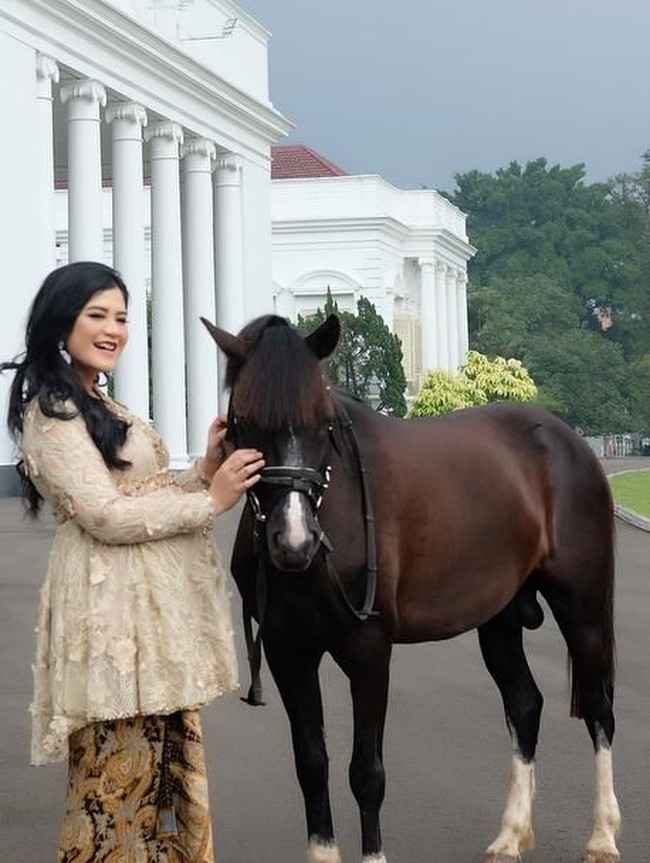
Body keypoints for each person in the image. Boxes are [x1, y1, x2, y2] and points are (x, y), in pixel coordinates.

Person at [0, 261, 264, 863]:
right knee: (116, 783)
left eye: (121, 316)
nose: (113, 329)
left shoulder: (97, 400)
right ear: (61, 322)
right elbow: (104, 515)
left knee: (168, 770)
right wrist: (212, 500)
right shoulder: (51, 410)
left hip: (148, 623)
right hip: (109, 620)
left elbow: (131, 493)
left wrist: (201, 471)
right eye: (97, 315)